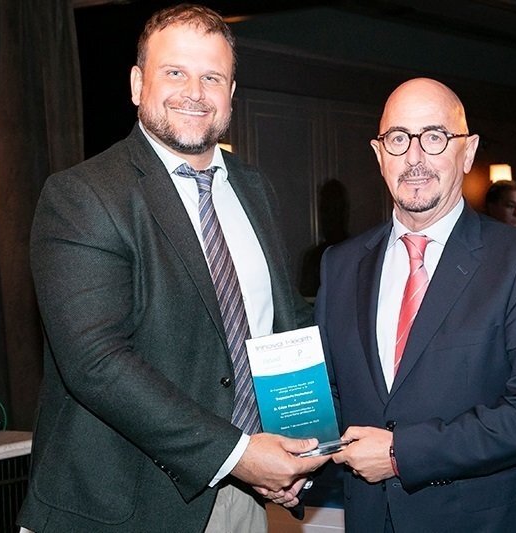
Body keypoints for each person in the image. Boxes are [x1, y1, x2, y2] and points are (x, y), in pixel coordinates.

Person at [17, 5, 327, 532]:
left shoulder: (254, 189)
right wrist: (237, 454)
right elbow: (96, 362)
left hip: (244, 501)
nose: (195, 92)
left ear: (231, 92)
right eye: (175, 72)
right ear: (138, 84)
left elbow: (284, 326)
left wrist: (302, 444)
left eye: (212, 77)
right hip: (120, 508)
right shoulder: (83, 195)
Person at [315, 78, 516, 532]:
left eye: (434, 137)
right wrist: (296, 456)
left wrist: (400, 454)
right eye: (398, 139)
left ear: (467, 152)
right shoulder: (340, 265)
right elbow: (332, 394)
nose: (414, 157)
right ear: (379, 154)